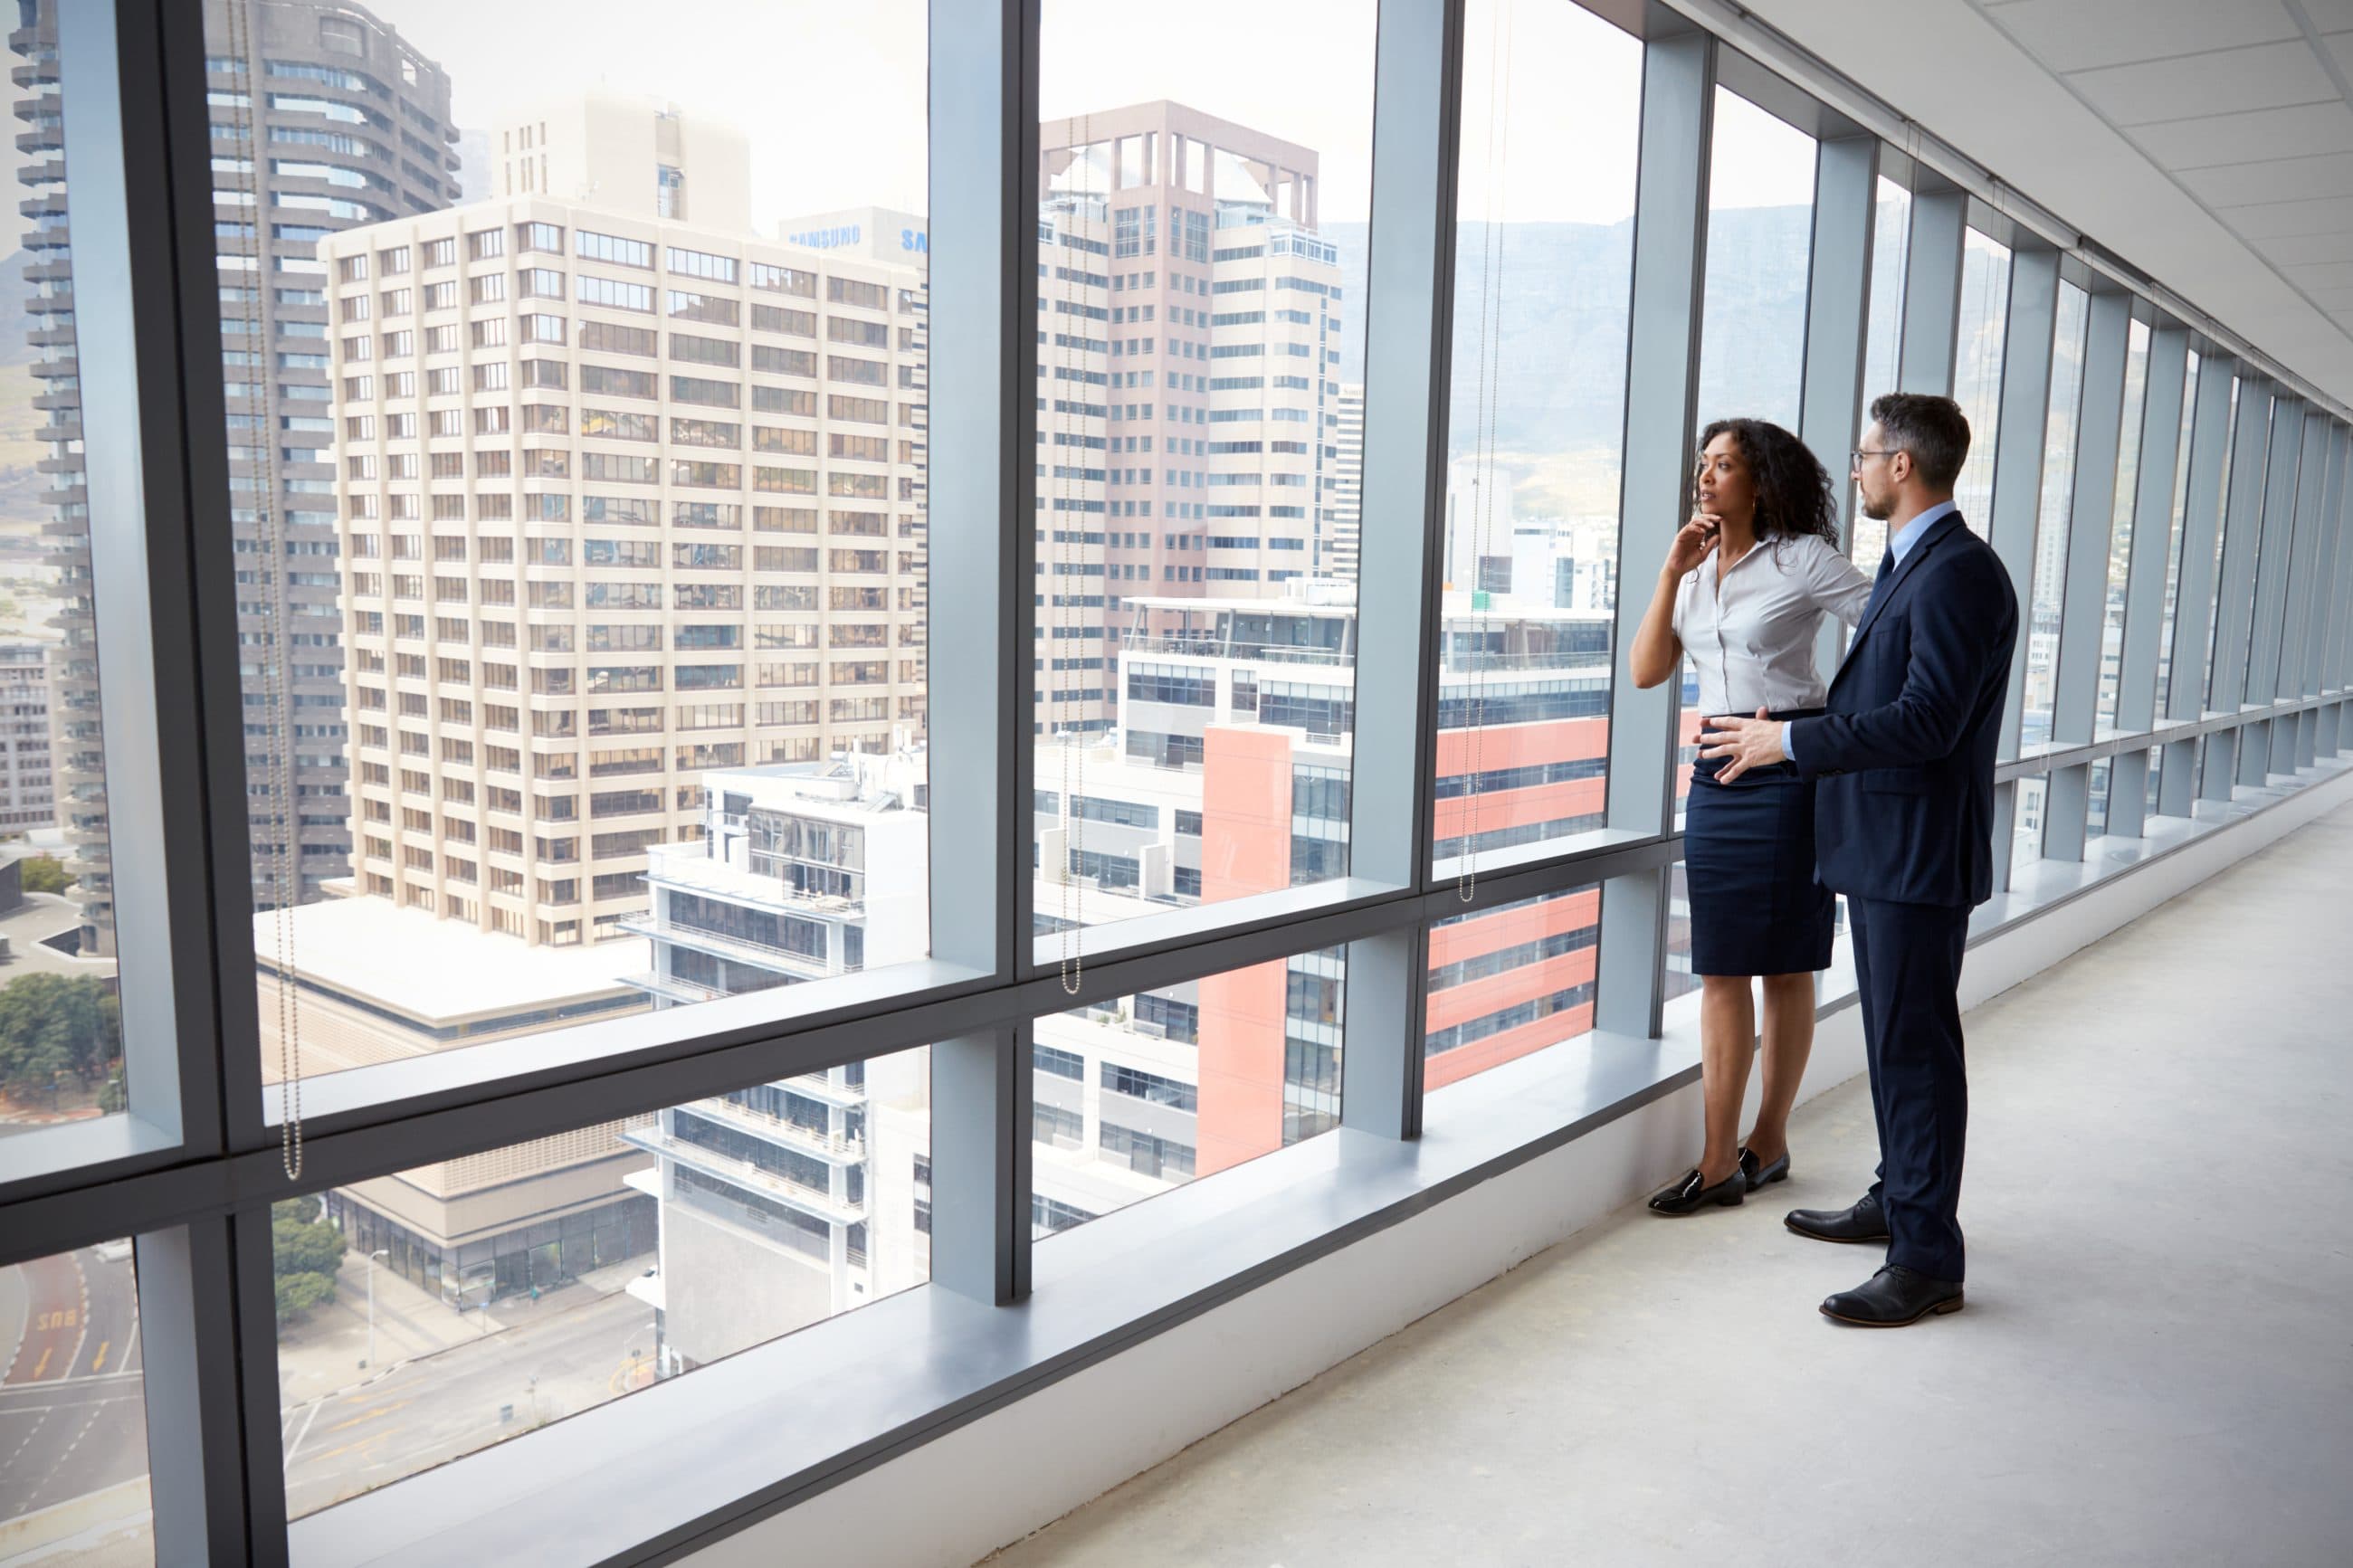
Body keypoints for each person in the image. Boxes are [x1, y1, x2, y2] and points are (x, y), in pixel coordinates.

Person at [1700, 392, 2019, 1327]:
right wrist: (1791, 725)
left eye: (1865, 453)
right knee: (1894, 1044)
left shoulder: (1955, 572)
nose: (1854, 468)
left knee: (1914, 1051)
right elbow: (1882, 701)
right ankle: (1898, 1195)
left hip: (1912, 851)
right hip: (1885, 848)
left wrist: (1789, 749)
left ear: (1902, 467)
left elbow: (1927, 720)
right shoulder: (1912, 563)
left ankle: (1924, 1256)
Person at [1630, 418, 1872, 1217]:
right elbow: (1647, 670)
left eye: (1724, 465)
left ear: (1760, 481)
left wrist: (1817, 726)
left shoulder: (1801, 559)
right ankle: (1716, 1158)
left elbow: (1889, 618)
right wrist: (1671, 571)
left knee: (1786, 963)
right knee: (1720, 965)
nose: (1706, 477)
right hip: (1713, 778)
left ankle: (1766, 1141)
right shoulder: (1697, 571)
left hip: (1783, 771)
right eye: (1703, 463)